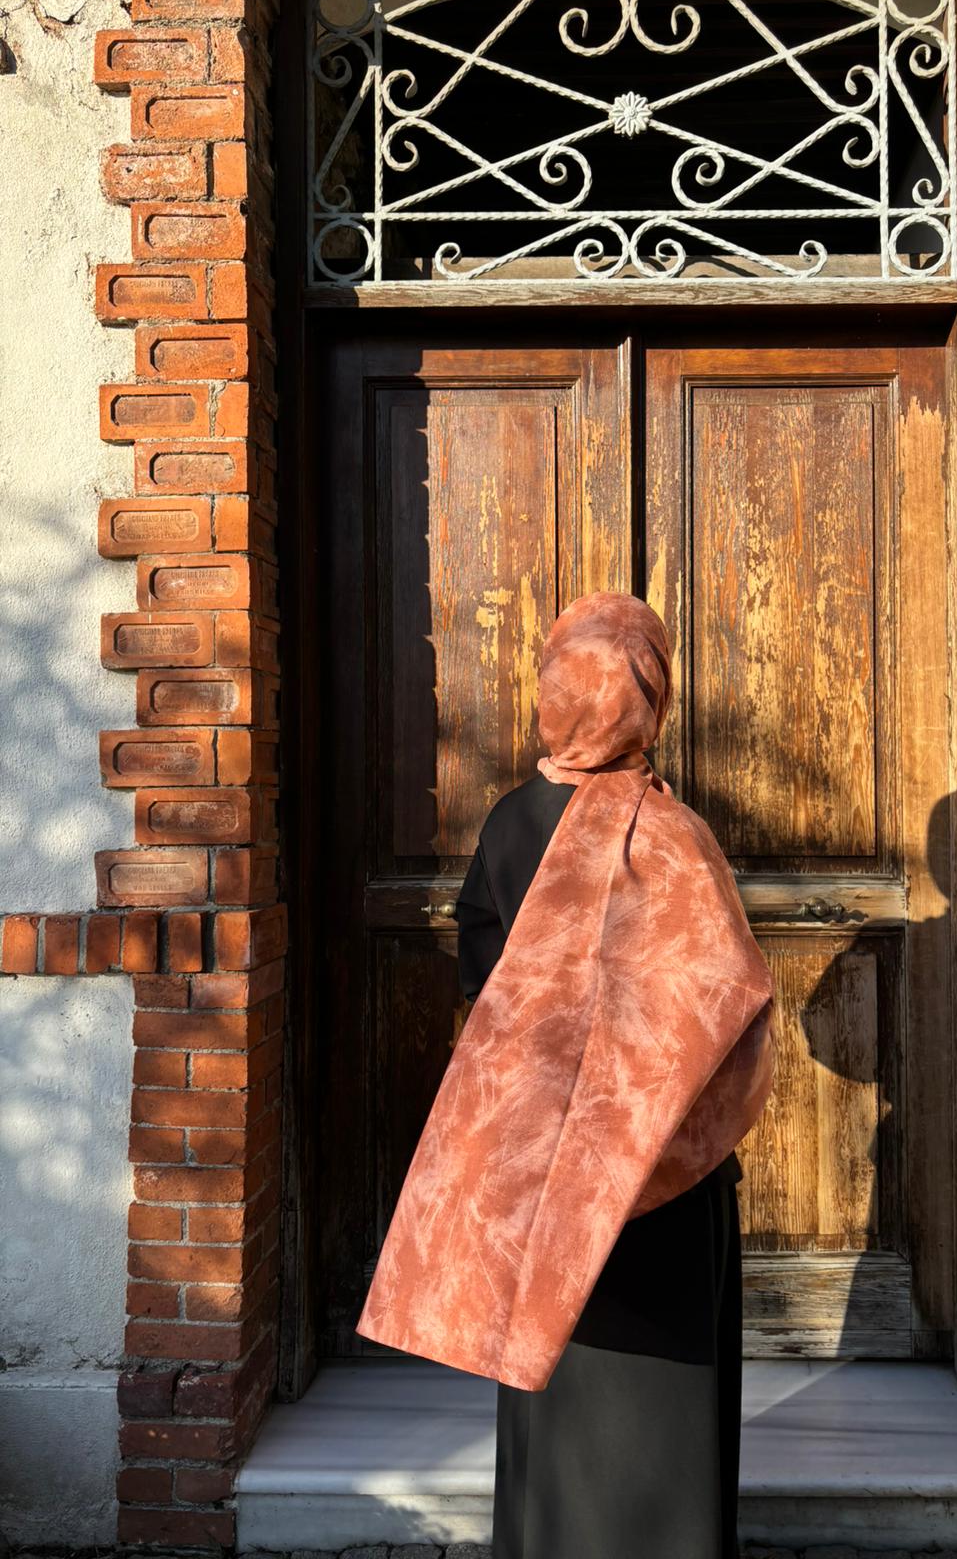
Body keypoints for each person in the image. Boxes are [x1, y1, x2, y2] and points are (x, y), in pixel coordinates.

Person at [357, 591, 775, 1559]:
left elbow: (480, 973)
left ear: (552, 694)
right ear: (651, 699)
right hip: (655, 1175)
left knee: (552, 1373)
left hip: (537, 1163)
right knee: (655, 1407)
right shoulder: (671, 835)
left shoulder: (511, 820)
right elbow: (729, 1007)